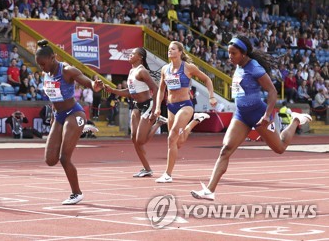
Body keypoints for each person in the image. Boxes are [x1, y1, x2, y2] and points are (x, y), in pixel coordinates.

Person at [191, 35, 312, 201]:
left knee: (280, 148)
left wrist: (267, 115)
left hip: (258, 114)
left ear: (243, 53)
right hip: (241, 115)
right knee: (225, 149)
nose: (230, 57)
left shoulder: (254, 67)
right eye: (228, 53)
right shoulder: (238, 66)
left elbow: (272, 92)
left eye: (233, 53)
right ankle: (210, 190)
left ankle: (296, 120)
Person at [35, 39, 103, 205]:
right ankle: (81, 129)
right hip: (59, 116)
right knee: (50, 160)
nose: (42, 68)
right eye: (39, 65)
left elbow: (86, 81)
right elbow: (53, 96)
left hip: (74, 113)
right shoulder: (46, 74)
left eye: (43, 64)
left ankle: (76, 193)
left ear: (53, 58)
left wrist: (94, 85)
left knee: (65, 158)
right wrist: (53, 115)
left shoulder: (66, 70)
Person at [153, 41, 216, 183]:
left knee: (171, 137)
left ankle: (167, 174)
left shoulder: (188, 67)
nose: (170, 51)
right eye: (169, 49)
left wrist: (211, 96)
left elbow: (207, 79)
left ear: (180, 52)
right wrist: (157, 107)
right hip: (171, 107)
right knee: (178, 142)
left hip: (185, 106)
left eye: (173, 49)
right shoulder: (165, 69)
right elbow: (161, 89)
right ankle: (195, 121)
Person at [104, 48, 168, 178]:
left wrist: (156, 109)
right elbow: (130, 92)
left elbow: (155, 89)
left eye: (133, 54)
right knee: (134, 139)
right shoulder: (132, 71)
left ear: (140, 57)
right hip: (135, 106)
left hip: (146, 106)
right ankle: (147, 169)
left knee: (140, 141)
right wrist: (113, 90)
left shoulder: (142, 71)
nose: (130, 55)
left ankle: (158, 123)